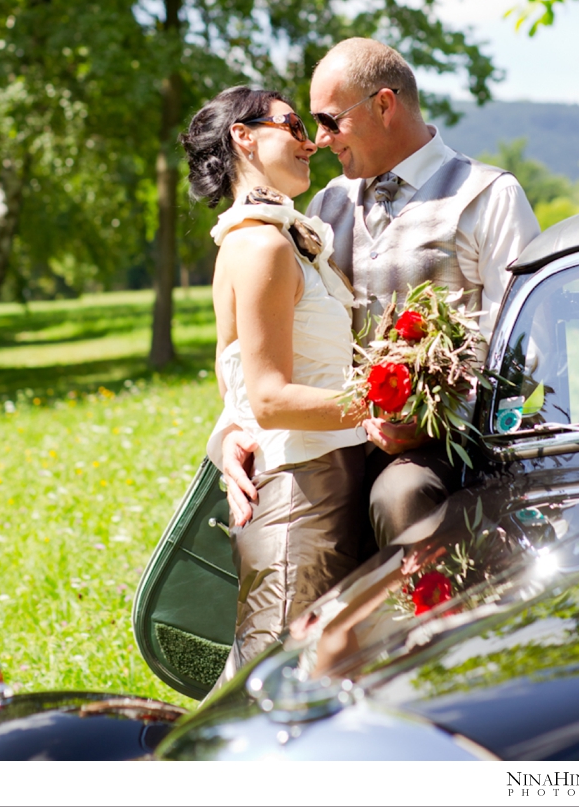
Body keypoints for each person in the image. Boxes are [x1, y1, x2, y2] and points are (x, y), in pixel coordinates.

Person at [221, 40, 540, 550]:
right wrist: (231, 431)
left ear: (384, 105)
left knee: (400, 492)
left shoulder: (489, 195)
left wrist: (431, 418)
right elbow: (268, 336)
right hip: (336, 438)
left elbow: (522, 348)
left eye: (329, 120)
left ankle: (430, 629)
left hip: (451, 445)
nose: (320, 140)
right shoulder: (326, 206)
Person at [180, 85, 368, 678]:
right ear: (244, 135)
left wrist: (227, 430)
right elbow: (267, 396)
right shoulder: (260, 244)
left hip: (324, 481)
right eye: (292, 125)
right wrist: (394, 404)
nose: (310, 141)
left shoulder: (280, 237)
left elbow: (227, 367)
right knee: (273, 691)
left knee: (322, 683)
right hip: (299, 497)